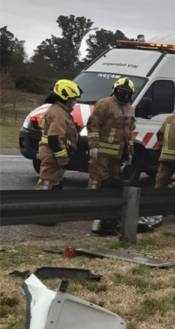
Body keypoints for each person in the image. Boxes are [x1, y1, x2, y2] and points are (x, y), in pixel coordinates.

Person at [87, 77, 136, 235]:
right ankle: (94, 212)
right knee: (99, 181)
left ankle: (108, 216)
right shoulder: (104, 103)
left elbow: (130, 131)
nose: (124, 95)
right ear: (115, 90)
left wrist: (129, 152)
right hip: (102, 152)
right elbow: (93, 125)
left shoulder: (129, 108)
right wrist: (94, 145)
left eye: (128, 93)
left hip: (118, 154)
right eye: (122, 92)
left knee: (114, 184)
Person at [36, 79, 82, 190]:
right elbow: (54, 138)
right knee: (47, 183)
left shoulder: (60, 111)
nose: (74, 103)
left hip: (52, 154)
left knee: (54, 182)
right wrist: (62, 158)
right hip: (52, 155)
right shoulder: (59, 114)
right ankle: (39, 205)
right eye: (73, 100)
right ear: (65, 98)